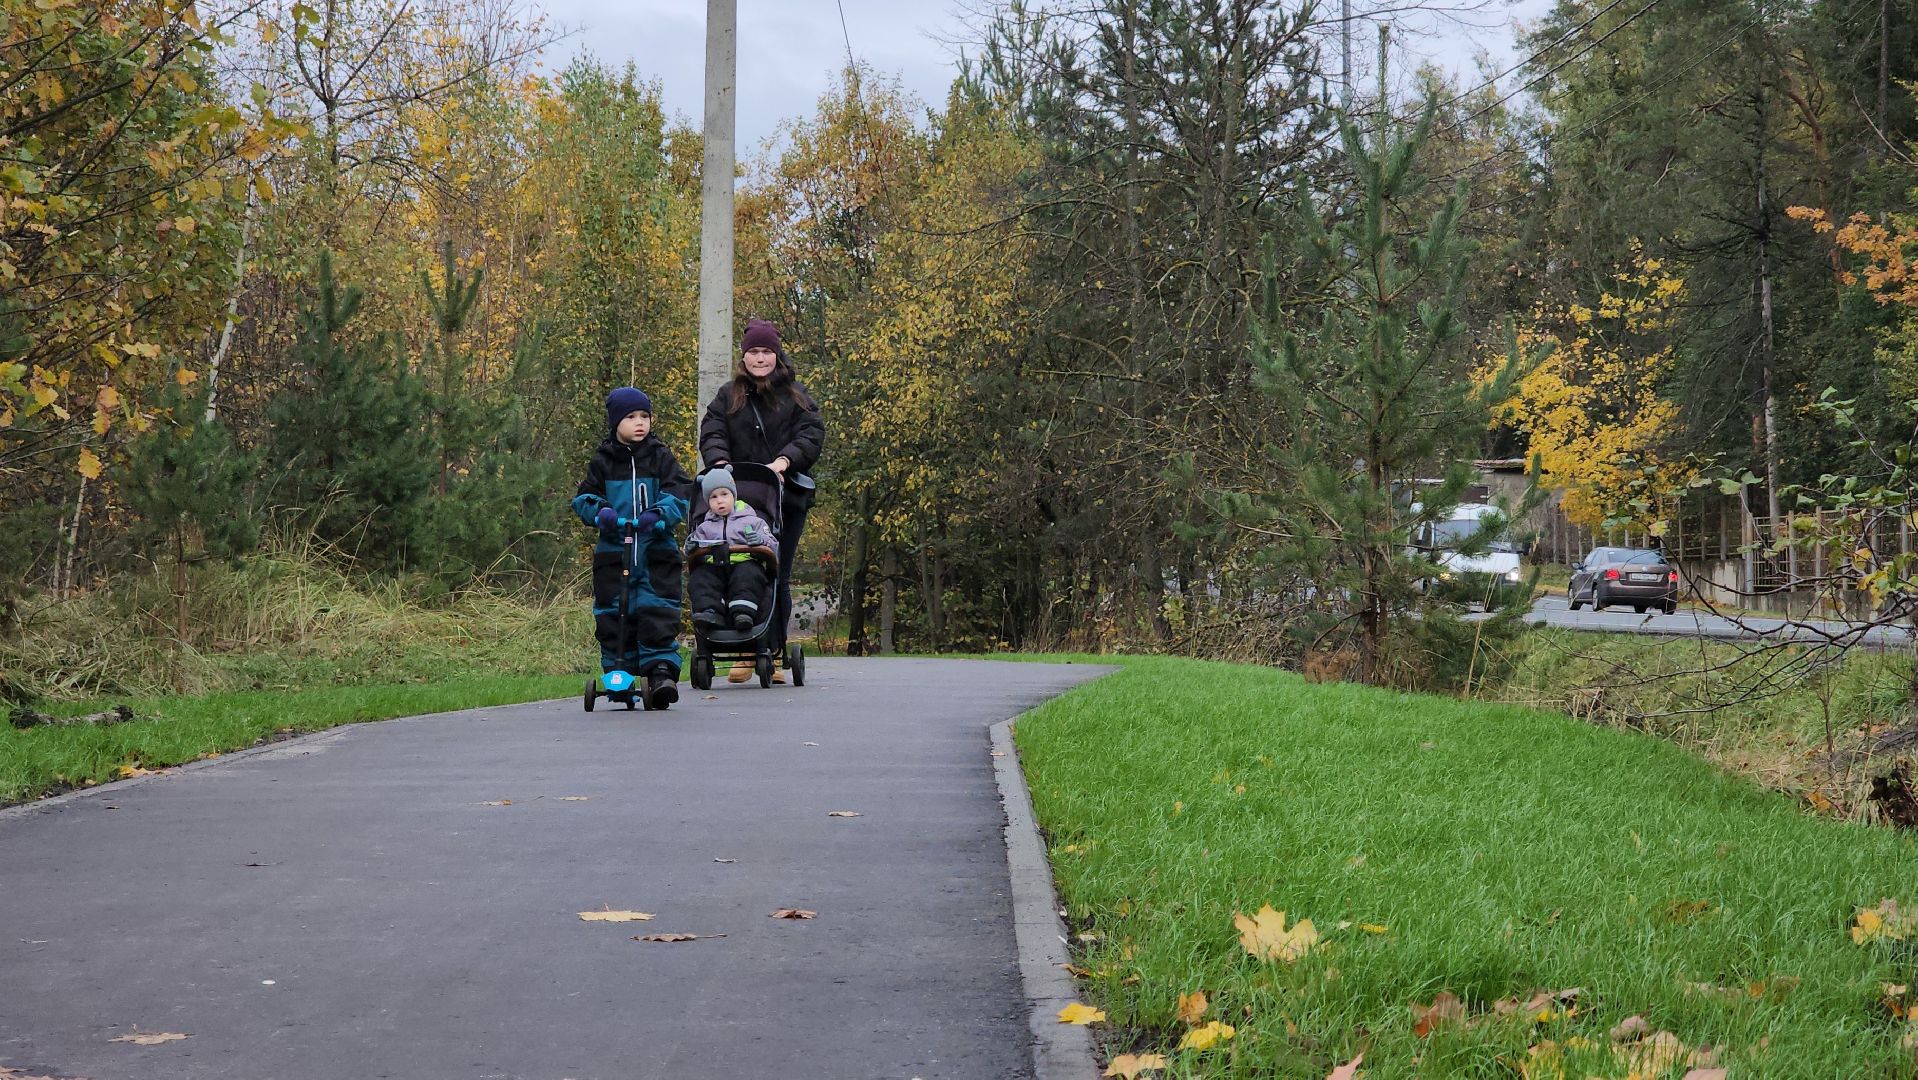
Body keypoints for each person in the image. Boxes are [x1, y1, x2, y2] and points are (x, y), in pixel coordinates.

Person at [700, 319, 823, 684]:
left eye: (766, 351)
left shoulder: (796, 395)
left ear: (777, 355)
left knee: (777, 573)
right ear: (744, 356)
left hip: (784, 498)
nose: (760, 358)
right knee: (737, 568)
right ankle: (745, 652)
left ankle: (774, 652)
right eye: (753, 351)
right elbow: (712, 431)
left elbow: (811, 434)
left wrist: (784, 461)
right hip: (737, 501)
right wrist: (720, 463)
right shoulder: (728, 396)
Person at [572, 387, 693, 710]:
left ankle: (660, 673)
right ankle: (619, 675)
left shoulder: (660, 456)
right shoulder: (604, 460)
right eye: (631, 417)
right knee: (613, 613)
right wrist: (601, 512)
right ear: (615, 423)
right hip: (615, 552)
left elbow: (680, 491)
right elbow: (584, 498)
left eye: (644, 416)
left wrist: (659, 514)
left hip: (655, 552)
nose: (640, 423)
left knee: (658, 610)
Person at [686, 467, 779, 631]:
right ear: (707, 502)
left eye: (724, 494)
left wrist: (761, 541)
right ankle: (710, 611)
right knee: (700, 577)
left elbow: (773, 545)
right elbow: (692, 546)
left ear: (734, 495)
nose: (719, 501)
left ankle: (743, 612)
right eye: (713, 497)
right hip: (714, 565)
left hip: (745, 562)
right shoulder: (704, 527)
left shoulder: (752, 521)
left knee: (749, 575)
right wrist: (691, 547)